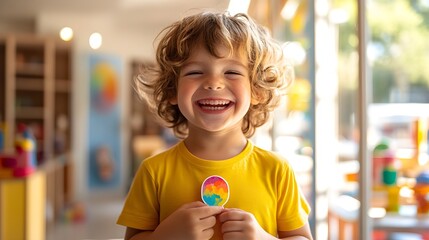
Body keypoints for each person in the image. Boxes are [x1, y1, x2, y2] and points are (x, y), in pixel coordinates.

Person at [117, 10, 313, 240]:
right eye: (195, 71)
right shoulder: (153, 172)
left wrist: (262, 238)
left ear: (257, 90)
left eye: (231, 71)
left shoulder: (277, 170)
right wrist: (166, 235)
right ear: (172, 90)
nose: (213, 83)